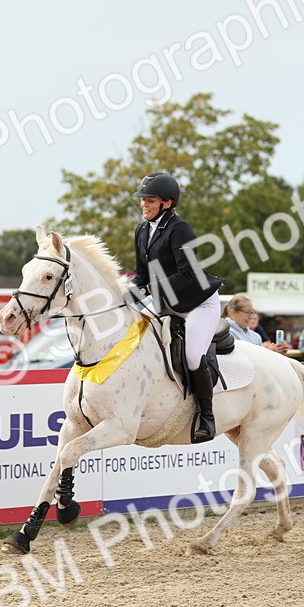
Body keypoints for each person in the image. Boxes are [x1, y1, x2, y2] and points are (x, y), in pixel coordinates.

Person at [130, 171, 225, 443]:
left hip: (197, 304)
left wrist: (150, 289)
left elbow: (187, 273)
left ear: (167, 203)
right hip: (166, 303)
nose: (143, 205)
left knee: (194, 356)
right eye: (142, 200)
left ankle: (207, 416)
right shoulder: (142, 229)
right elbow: (141, 273)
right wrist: (127, 292)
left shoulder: (179, 228)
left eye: (149, 200)